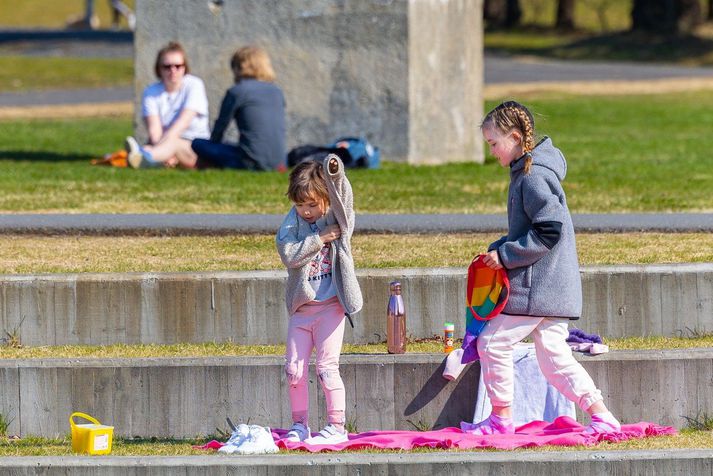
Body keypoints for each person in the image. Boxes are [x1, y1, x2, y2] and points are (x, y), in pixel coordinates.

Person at [463, 100, 621, 436]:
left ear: (516, 137)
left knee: (491, 343)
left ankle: (500, 421)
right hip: (551, 285)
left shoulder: (532, 177)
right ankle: (603, 415)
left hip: (539, 287)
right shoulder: (529, 171)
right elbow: (536, 229)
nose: (492, 152)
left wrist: (506, 256)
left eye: (494, 143)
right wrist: (500, 248)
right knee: (553, 358)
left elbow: (550, 229)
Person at [275, 155, 363, 445]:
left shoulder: (337, 218)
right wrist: (320, 238)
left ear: (325, 198)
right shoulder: (294, 223)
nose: (306, 211)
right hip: (303, 310)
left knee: (327, 368)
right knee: (294, 370)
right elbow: (289, 254)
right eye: (301, 205)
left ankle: (336, 426)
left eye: (312, 204)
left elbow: (344, 198)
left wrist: (334, 172)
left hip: (331, 309)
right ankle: (300, 425)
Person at [191, 45, 286, 171]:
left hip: (250, 163)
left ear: (239, 67)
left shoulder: (237, 91)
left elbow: (220, 129)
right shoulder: (277, 91)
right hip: (280, 163)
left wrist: (212, 145)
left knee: (198, 143)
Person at [125, 41, 210, 169]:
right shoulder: (151, 92)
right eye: (167, 66)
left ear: (184, 67)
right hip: (163, 144)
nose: (173, 70)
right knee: (157, 145)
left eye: (178, 66)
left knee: (172, 144)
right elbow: (154, 131)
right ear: (159, 68)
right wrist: (166, 151)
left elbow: (183, 123)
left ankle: (145, 157)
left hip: (195, 146)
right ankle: (150, 157)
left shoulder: (195, 85)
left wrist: (165, 149)